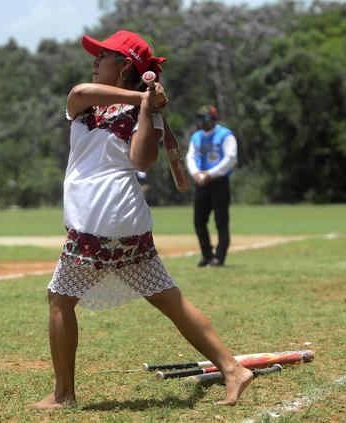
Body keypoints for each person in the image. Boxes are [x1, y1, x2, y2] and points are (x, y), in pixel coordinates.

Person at [30, 30, 252, 410]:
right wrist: (143, 97)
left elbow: (141, 161)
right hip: (125, 223)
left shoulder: (145, 115)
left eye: (104, 56)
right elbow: (78, 92)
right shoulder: (91, 103)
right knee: (170, 299)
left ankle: (64, 394)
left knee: (60, 300)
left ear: (126, 65)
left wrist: (148, 110)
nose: (95, 61)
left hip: (100, 218)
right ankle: (232, 369)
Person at [185, 105, 238, 267]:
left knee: (220, 221)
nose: (202, 122)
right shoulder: (196, 137)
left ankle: (219, 257)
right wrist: (195, 174)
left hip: (219, 183)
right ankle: (207, 254)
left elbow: (230, 158)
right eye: (199, 119)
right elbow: (190, 157)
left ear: (214, 119)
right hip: (201, 182)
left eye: (205, 118)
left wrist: (210, 174)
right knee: (199, 221)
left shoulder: (225, 135)